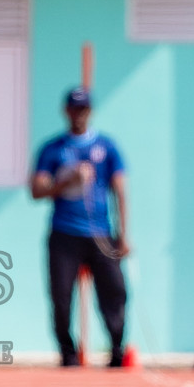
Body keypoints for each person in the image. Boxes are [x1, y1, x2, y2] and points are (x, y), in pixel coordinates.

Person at [30, 88, 130, 368]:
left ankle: (117, 348)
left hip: (99, 232)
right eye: (75, 109)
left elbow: (120, 189)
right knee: (61, 297)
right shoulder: (53, 149)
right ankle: (68, 352)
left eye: (84, 109)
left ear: (91, 111)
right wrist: (67, 181)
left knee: (115, 292)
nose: (79, 114)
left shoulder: (107, 147)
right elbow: (36, 190)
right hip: (64, 233)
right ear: (66, 111)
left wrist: (124, 233)